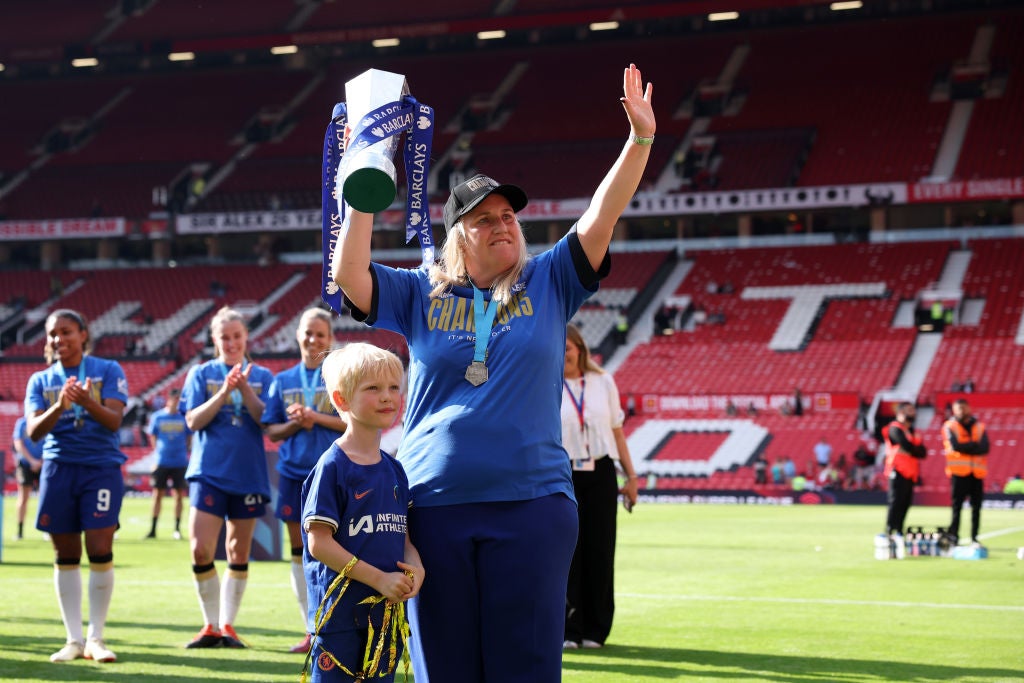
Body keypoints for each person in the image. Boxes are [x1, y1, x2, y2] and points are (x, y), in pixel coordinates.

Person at [331, 63, 654, 682]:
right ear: (458, 237)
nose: (503, 224)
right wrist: (363, 181)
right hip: (434, 505)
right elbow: (350, 277)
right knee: (445, 667)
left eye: (509, 216)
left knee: (526, 667)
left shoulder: (552, 278)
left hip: (532, 504)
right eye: (484, 219)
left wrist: (638, 140)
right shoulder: (421, 291)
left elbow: (602, 213)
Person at [301, 342, 423, 682]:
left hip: (384, 617)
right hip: (339, 620)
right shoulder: (332, 466)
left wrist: (417, 568)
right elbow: (319, 544)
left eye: (394, 388)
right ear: (341, 400)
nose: (387, 397)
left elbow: (404, 539)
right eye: (373, 388)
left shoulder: (396, 469)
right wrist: (379, 579)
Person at [24, 309, 128, 663]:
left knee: (99, 548)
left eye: (66, 332)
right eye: (53, 334)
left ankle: (96, 638)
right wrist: (61, 405)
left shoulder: (108, 370)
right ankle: (73, 639)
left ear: (84, 334)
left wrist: (86, 401)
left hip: (100, 468)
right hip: (58, 469)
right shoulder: (40, 379)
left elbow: (114, 421)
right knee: (64, 554)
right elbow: (33, 432)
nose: (58, 339)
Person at [179, 306, 275, 649]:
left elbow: (267, 421)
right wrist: (223, 393)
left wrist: (246, 389)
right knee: (201, 549)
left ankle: (228, 626)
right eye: (225, 337)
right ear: (214, 340)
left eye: (237, 336)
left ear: (246, 337)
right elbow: (192, 421)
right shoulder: (200, 374)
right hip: (208, 472)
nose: (231, 342)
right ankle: (210, 625)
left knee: (237, 550)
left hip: (248, 474)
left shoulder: (263, 375)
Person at [263, 307, 347, 654]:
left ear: (330, 339)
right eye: (308, 333)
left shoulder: (340, 376)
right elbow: (271, 429)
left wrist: (316, 417)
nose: (313, 339)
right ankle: (310, 629)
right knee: (300, 554)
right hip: (295, 475)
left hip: (333, 473)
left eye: (320, 334)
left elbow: (350, 424)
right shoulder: (281, 381)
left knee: (338, 550)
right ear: (298, 335)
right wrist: (299, 423)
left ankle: (338, 626)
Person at [560, 323, 638, 650]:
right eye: (559, 349)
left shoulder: (603, 382)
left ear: (580, 348)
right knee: (567, 552)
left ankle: (596, 628)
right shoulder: (547, 384)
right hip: (564, 473)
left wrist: (631, 478)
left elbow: (617, 432)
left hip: (602, 473)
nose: (564, 354)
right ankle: (569, 628)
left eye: (568, 347)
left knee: (601, 549)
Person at [144, 387, 191, 540]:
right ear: (169, 399)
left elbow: (189, 438)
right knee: (157, 494)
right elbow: (153, 437)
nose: (177, 403)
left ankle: (177, 529)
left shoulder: (184, 417)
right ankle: (153, 529)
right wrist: (158, 453)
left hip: (179, 461)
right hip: (162, 461)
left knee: (179, 495)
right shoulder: (158, 417)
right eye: (175, 399)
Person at [942, 398, 989, 547]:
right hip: (958, 473)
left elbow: (985, 448)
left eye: (963, 408)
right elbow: (956, 446)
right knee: (957, 507)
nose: (961, 411)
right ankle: (954, 536)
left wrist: (966, 447)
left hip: (976, 473)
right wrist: (974, 446)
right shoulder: (950, 426)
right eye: (958, 408)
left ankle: (974, 538)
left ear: (969, 408)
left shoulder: (980, 426)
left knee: (976, 508)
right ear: (954, 410)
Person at [883, 402, 927, 539]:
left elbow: (923, 452)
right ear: (900, 412)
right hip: (897, 470)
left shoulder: (912, 432)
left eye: (913, 411)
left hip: (910, 472)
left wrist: (913, 449)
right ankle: (890, 530)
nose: (912, 413)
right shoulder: (894, 428)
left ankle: (899, 531)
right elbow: (907, 446)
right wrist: (914, 449)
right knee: (895, 502)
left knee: (905, 503)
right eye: (909, 410)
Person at [12, 414, 45, 540]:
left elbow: (52, 442)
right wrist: (32, 461)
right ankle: (20, 531)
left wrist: (41, 461)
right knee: (23, 498)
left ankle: (46, 529)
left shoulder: (46, 420)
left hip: (44, 463)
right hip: (25, 464)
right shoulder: (22, 423)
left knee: (46, 498)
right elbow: (18, 443)